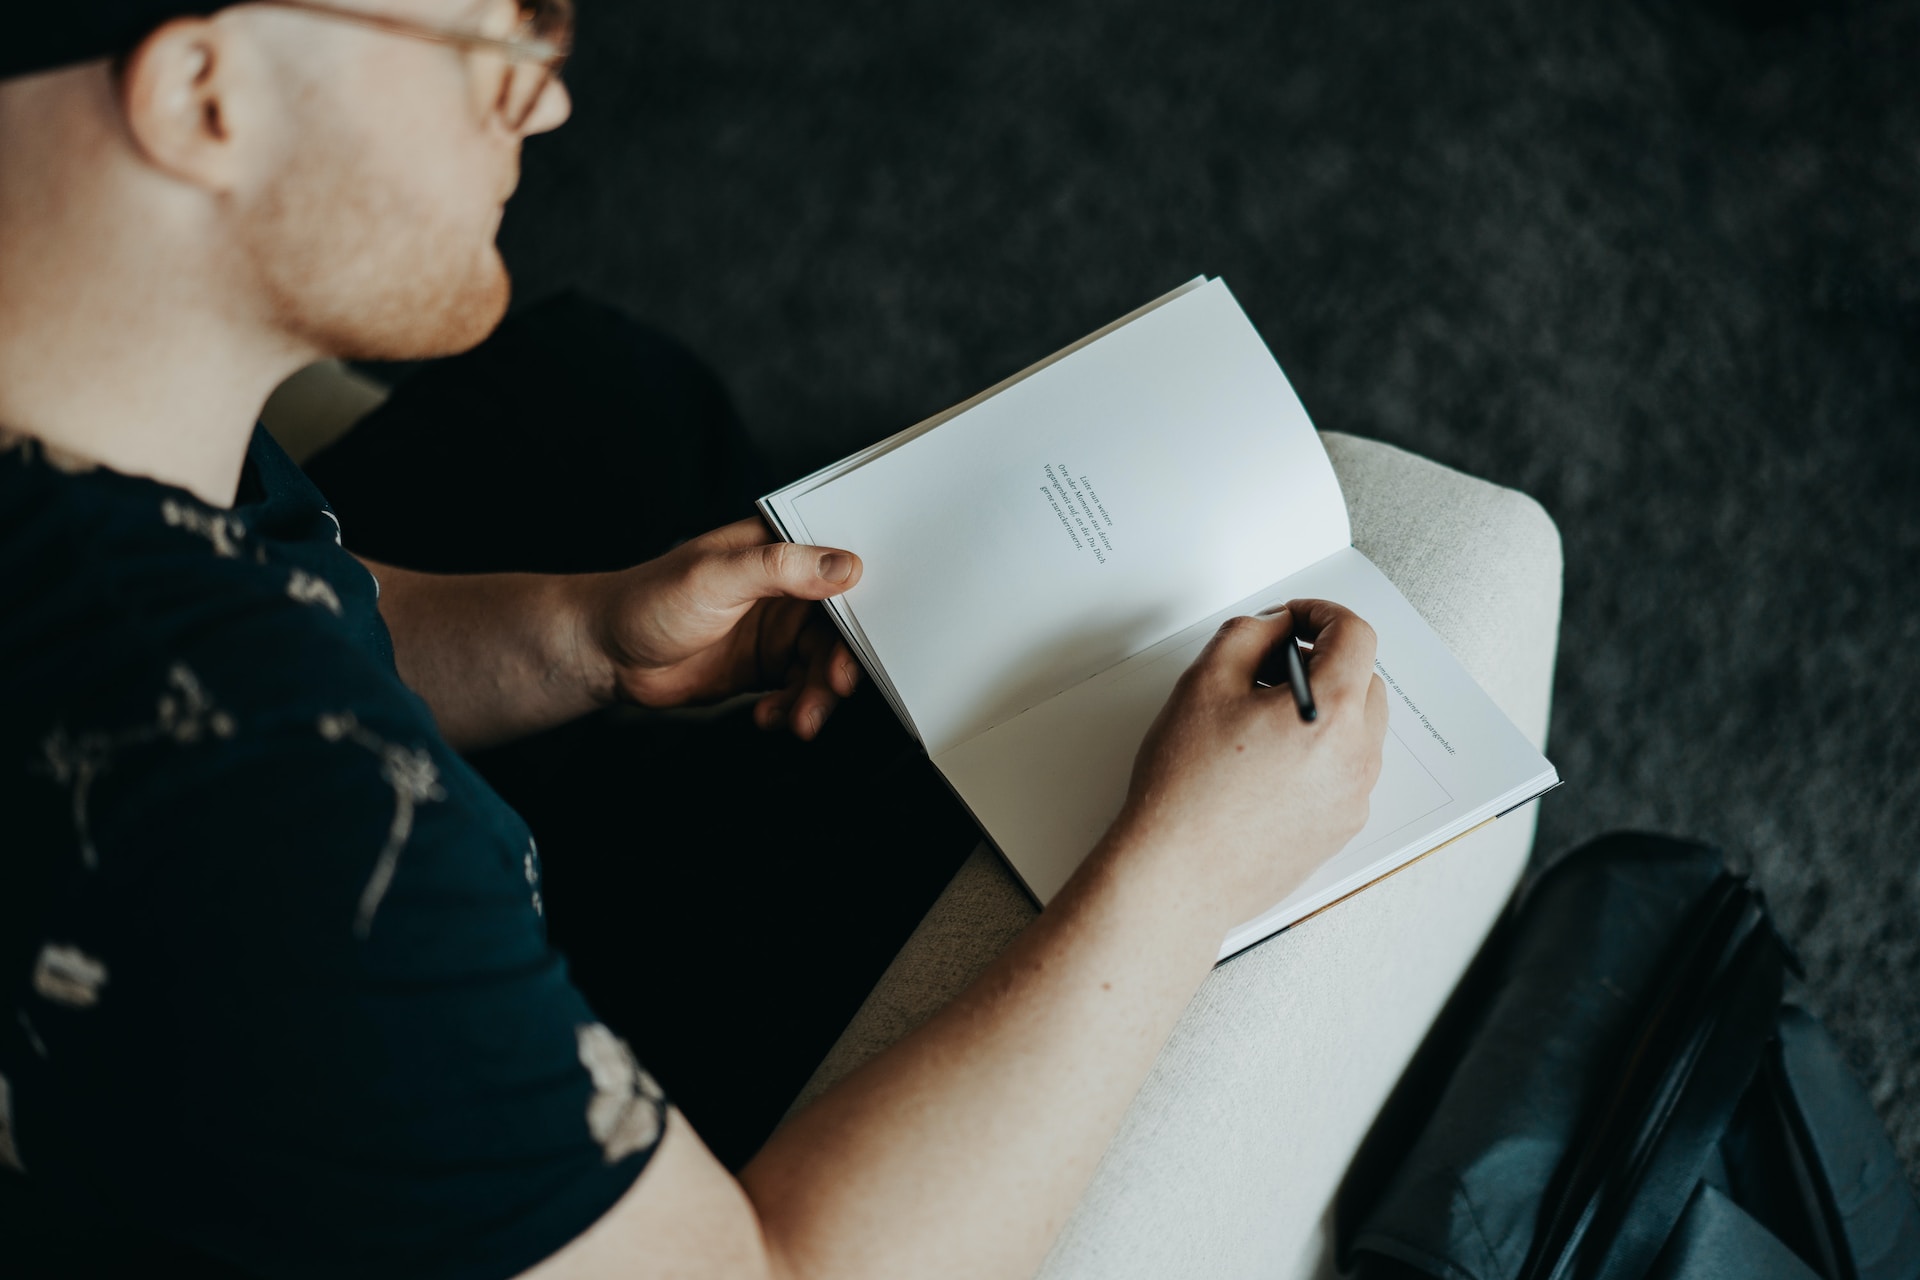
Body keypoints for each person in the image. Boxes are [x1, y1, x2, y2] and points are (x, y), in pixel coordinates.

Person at [0, 2, 1389, 1277]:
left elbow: (270, 591)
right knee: (896, 820)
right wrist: (1183, 872)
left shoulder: (85, 384)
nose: (542, 101)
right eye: (497, 32)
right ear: (202, 91)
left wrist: (578, 639)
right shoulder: (280, 835)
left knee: (611, 394)